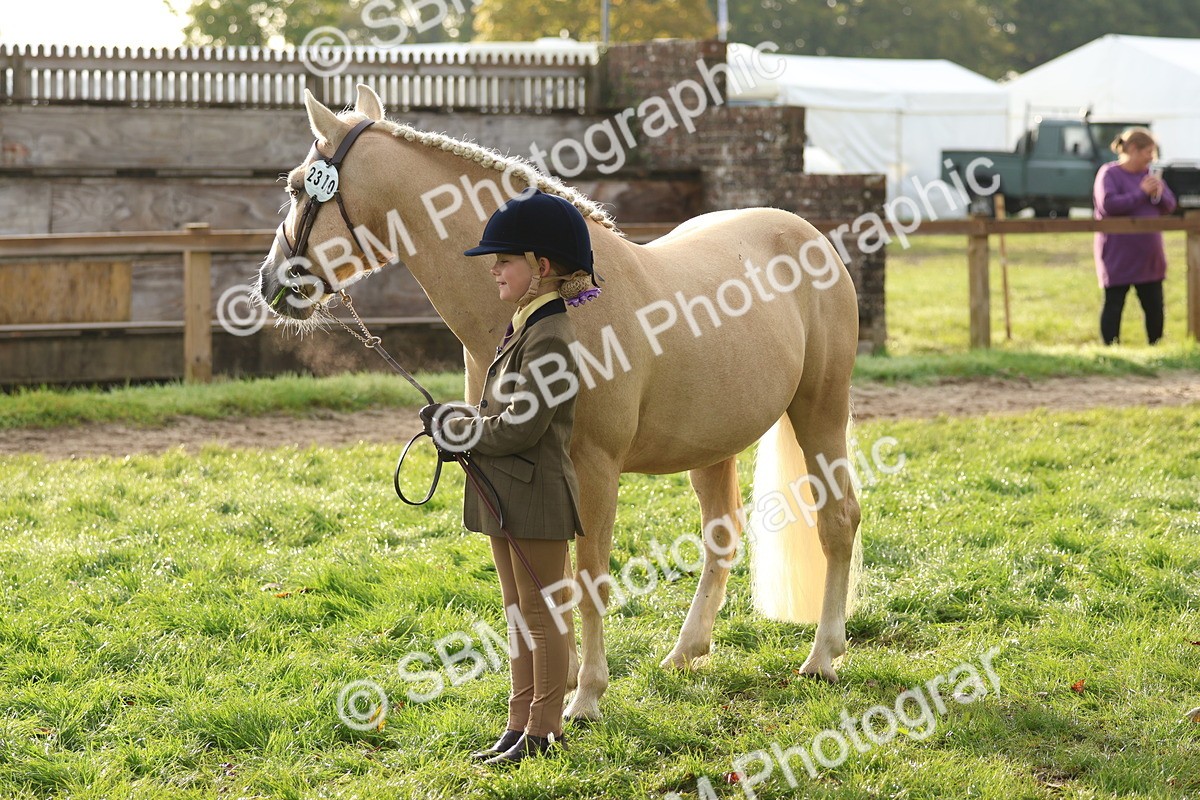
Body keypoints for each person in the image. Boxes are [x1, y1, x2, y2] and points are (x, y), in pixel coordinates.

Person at [419, 189, 601, 765]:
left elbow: (522, 427)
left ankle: (545, 731)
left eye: (505, 259)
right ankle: (519, 721)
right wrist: (458, 418)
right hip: (508, 493)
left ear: (541, 268)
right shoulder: (524, 326)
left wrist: (461, 432)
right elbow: (503, 416)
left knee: (543, 615)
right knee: (519, 614)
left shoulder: (550, 336)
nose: (493, 268)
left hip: (536, 493)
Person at [1093, 126, 1177, 345]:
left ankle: (1155, 346)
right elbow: (1108, 205)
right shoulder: (1109, 174)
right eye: (1147, 152)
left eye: (1153, 153)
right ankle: (1111, 349)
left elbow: (1170, 205)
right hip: (1118, 253)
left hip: (1148, 254)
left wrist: (1157, 193)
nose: (1150, 158)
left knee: (1154, 305)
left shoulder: (1150, 176)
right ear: (1131, 149)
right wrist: (1141, 193)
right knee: (1114, 302)